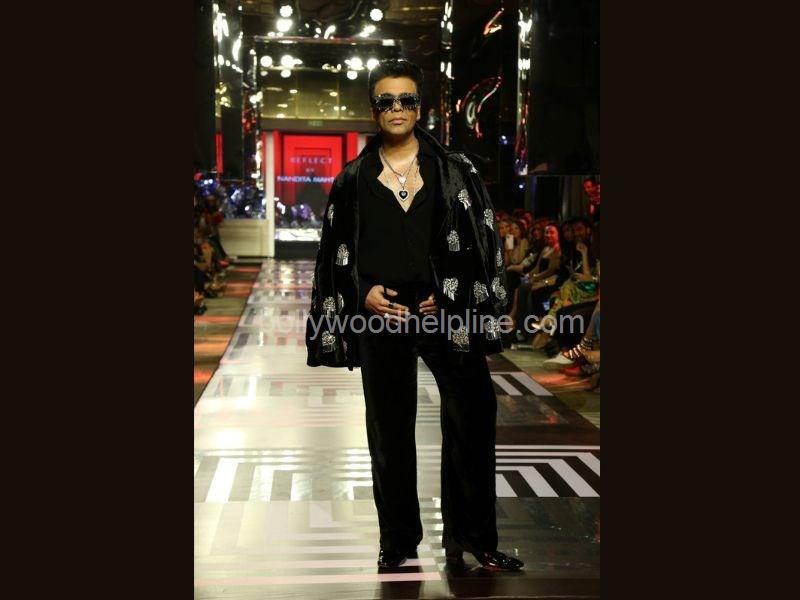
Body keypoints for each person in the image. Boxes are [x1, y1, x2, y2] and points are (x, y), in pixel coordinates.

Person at [305, 58, 523, 571]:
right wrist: (363, 293)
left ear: (419, 107)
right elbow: (333, 254)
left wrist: (450, 295)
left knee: (472, 418)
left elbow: (483, 242)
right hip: (381, 314)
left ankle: (473, 538)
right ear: (374, 110)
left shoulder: (455, 170)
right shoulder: (353, 179)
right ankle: (398, 541)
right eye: (387, 101)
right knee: (389, 430)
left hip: (445, 309)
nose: (397, 109)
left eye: (406, 100)